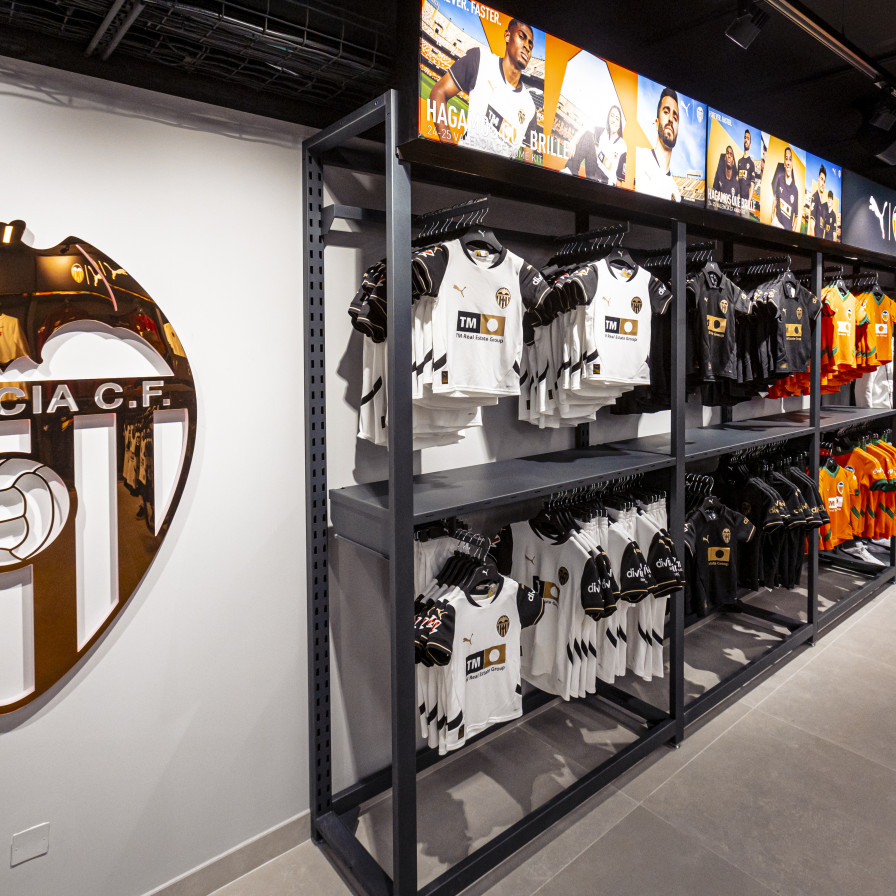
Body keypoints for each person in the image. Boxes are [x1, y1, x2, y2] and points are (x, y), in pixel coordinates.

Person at [428, 19, 537, 159]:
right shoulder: (480, 60)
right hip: (467, 167)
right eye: (522, 36)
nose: (527, 46)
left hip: (502, 173)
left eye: (530, 44)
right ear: (507, 36)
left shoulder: (530, 107)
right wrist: (451, 154)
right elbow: (438, 92)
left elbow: (528, 159)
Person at [635, 87, 681, 201]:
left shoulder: (676, 195)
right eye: (666, 112)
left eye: (675, 117)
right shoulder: (638, 156)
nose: (671, 119)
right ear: (656, 123)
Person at [562, 104, 627, 185]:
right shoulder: (603, 133)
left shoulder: (622, 146)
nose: (614, 120)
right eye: (612, 116)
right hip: (595, 172)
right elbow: (586, 127)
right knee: (588, 135)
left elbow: (619, 181)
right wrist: (574, 141)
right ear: (608, 118)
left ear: (620, 124)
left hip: (607, 182)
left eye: (617, 118)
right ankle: (570, 171)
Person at [770, 146, 800, 231]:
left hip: (787, 230)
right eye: (786, 159)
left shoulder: (795, 190)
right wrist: (772, 217)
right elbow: (775, 199)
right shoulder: (779, 178)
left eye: (790, 159)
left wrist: (791, 233)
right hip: (776, 223)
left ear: (792, 164)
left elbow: (796, 216)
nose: (788, 162)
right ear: (784, 163)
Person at [711, 145, 739, 209]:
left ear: (733, 162)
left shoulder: (735, 182)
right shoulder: (720, 176)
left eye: (731, 154)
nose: (729, 156)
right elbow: (713, 194)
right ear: (725, 158)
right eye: (727, 153)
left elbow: (736, 207)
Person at [737, 129, 757, 216]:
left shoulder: (751, 164)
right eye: (745, 137)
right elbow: (737, 182)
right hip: (737, 200)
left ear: (750, 144)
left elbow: (752, 186)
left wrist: (748, 203)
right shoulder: (739, 161)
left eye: (748, 138)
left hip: (745, 202)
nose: (746, 140)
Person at [808, 165, 828, 238]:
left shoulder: (822, 204)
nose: (823, 183)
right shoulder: (815, 197)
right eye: (821, 179)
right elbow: (811, 227)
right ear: (818, 180)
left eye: (824, 181)